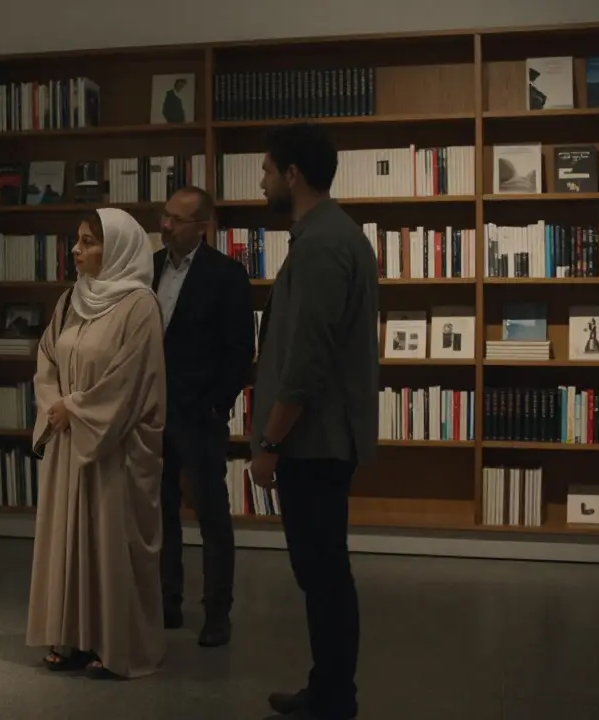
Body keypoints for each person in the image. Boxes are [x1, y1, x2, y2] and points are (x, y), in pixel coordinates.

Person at [249, 123, 378, 720]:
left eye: (269, 170)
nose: (263, 180)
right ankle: (328, 690)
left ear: (293, 174)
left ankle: (333, 698)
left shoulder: (324, 243)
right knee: (322, 569)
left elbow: (307, 358)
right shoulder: (325, 235)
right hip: (318, 439)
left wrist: (271, 439)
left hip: (314, 441)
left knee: (322, 571)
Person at [26, 207, 168, 680]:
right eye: (77, 241)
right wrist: (54, 405)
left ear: (119, 249)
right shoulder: (71, 300)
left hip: (114, 449)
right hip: (71, 442)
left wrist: (78, 409)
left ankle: (116, 644)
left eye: (88, 241)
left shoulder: (139, 305)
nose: (76, 250)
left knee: (111, 544)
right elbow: (47, 356)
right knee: (68, 539)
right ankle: (70, 638)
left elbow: (129, 380)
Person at [153, 186, 255, 647]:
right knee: (159, 512)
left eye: (176, 219)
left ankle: (217, 613)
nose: (165, 225)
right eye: (165, 215)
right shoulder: (148, 269)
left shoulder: (227, 276)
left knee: (211, 517)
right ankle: (166, 602)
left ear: (201, 227)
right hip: (152, 412)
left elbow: (241, 353)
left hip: (200, 415)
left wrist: (217, 404)